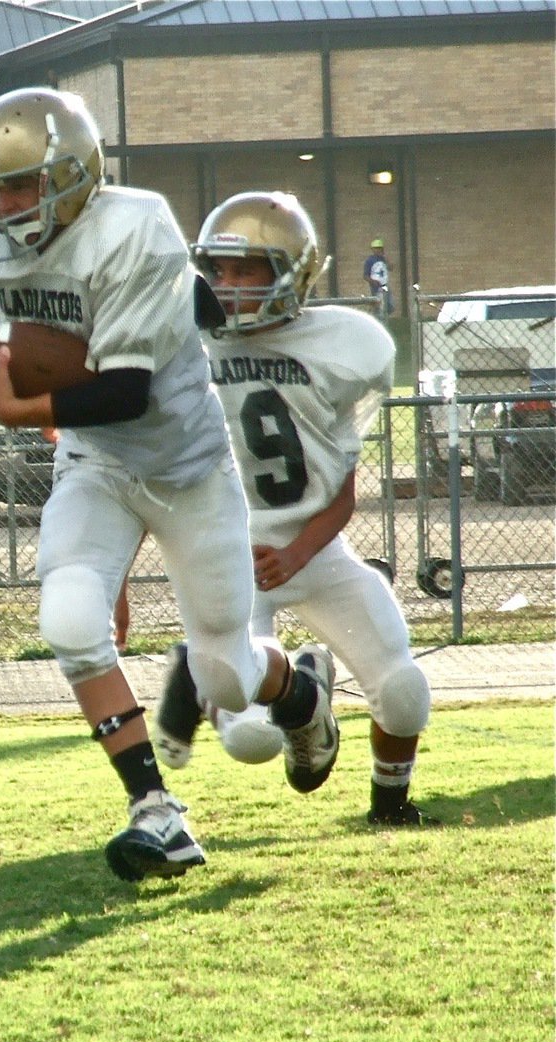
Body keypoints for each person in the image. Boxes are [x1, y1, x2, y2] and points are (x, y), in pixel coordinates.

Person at [0, 87, 340, 884]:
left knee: (225, 671)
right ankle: (155, 809)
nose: (1, 206)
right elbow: (26, 339)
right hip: (96, 462)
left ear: (74, 173)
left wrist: (18, 407)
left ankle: (300, 693)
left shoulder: (137, 230)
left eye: (18, 185)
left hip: (187, 469)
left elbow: (124, 389)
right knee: (69, 616)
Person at [148, 191, 436, 827]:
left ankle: (390, 811)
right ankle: (292, 694)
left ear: (293, 272)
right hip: (229, 560)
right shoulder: (181, 344)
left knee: (404, 690)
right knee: (250, 738)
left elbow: (341, 487)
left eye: (247, 269)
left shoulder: (341, 344)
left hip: (314, 549)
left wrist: (298, 552)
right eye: (218, 270)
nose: (228, 286)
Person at [363, 238, 393, 316]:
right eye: (376, 248)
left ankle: (384, 317)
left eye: (380, 248)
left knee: (390, 305)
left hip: (385, 286)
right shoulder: (370, 260)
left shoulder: (384, 259)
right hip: (376, 287)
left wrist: (386, 259)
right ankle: (379, 318)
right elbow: (365, 275)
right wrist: (372, 281)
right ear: (373, 249)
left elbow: (391, 268)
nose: (378, 250)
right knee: (379, 305)